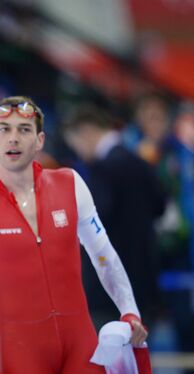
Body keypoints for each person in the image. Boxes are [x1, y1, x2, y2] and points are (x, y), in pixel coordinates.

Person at [0, 96, 148, 374]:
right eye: (4, 129)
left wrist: (129, 311)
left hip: (81, 345)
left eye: (24, 129)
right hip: (21, 352)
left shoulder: (70, 183)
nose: (14, 137)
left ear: (39, 140)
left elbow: (104, 256)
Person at [63, 105, 166, 325]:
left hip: (109, 293)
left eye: (76, 144)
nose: (78, 151)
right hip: (145, 280)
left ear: (87, 132)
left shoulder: (101, 170)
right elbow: (161, 206)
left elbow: (92, 226)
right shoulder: (141, 163)